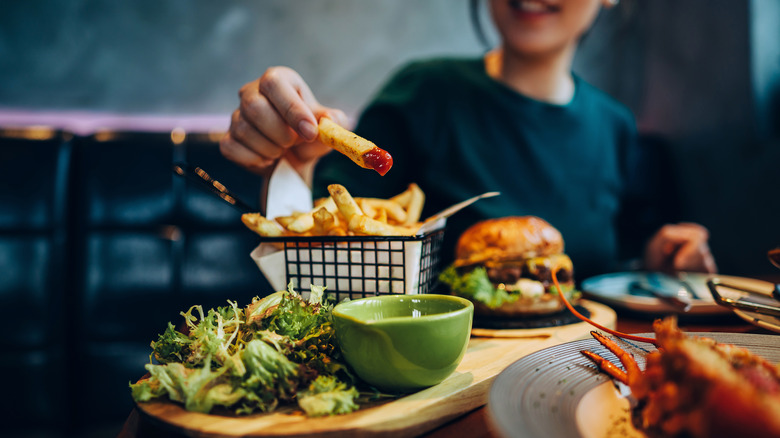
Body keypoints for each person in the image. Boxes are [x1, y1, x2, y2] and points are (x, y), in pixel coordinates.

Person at [219, 0, 717, 280]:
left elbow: (619, 255)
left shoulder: (616, 125)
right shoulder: (423, 91)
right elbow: (325, 241)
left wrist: (661, 256)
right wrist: (292, 159)